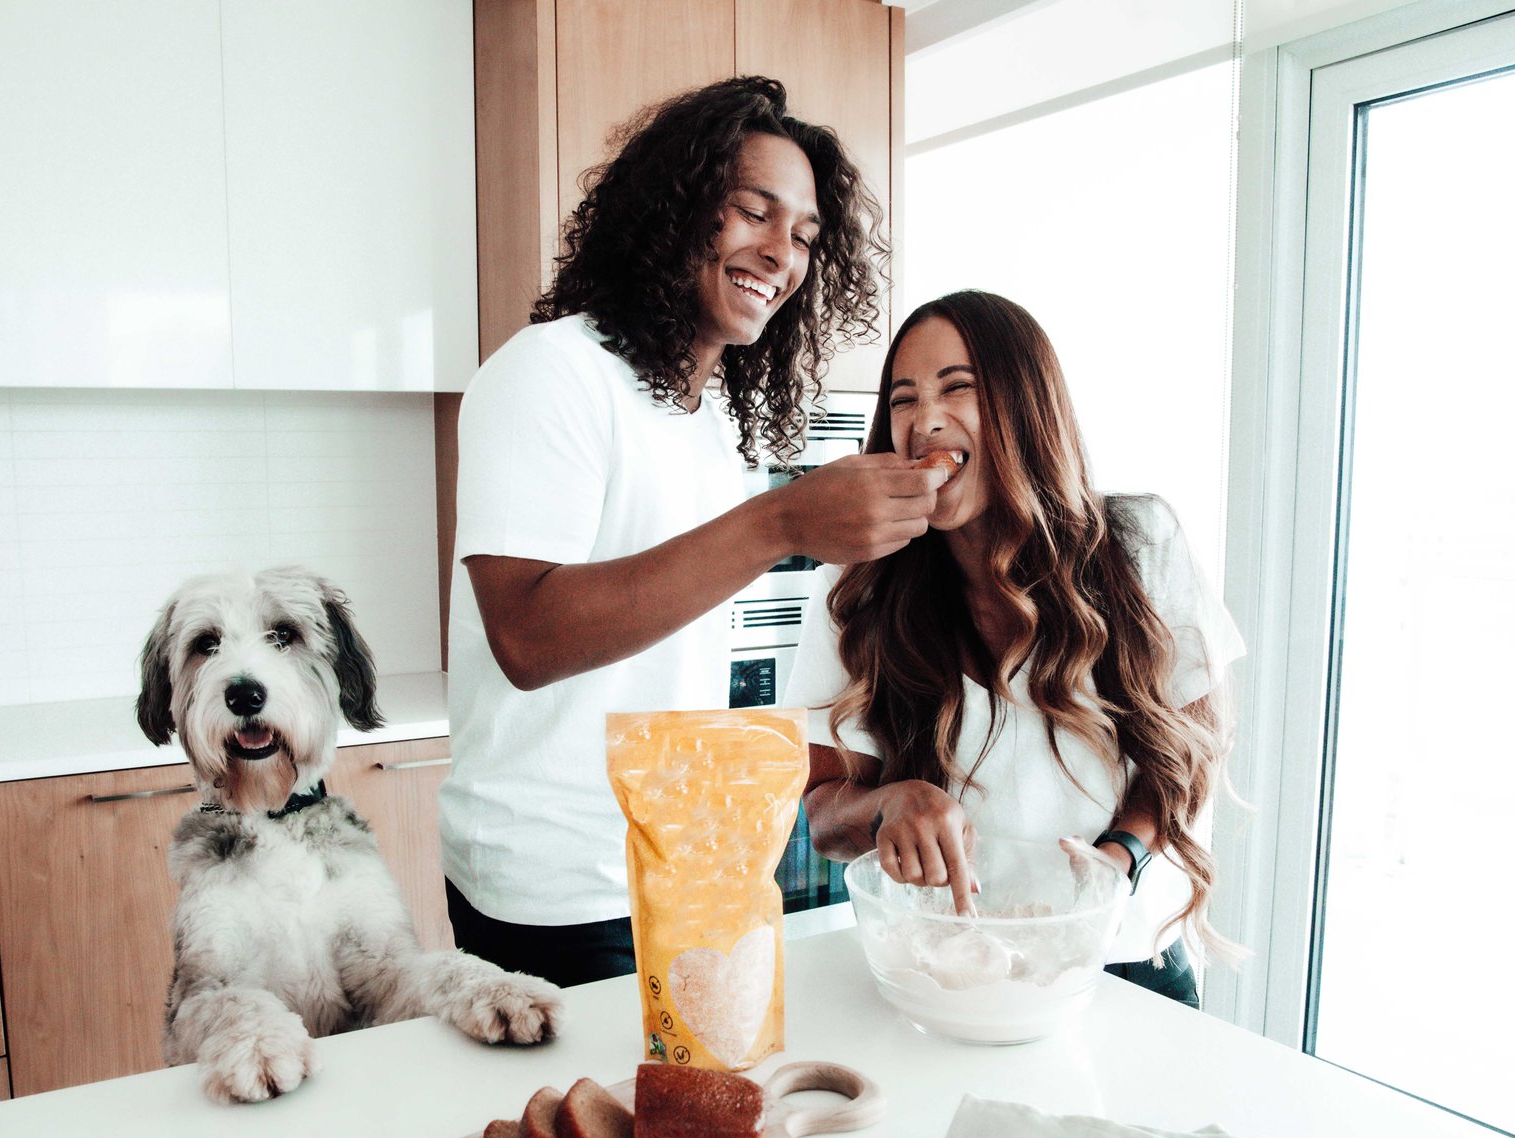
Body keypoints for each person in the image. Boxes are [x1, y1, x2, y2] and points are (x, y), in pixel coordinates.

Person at [442, 78, 946, 988]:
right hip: (557, 883)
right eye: (754, 212)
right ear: (672, 210)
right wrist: (783, 520)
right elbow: (525, 635)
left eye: (803, 237)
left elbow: (670, 676)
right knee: (580, 1131)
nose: (780, 254)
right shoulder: (549, 375)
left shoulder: (713, 418)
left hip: (681, 868)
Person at [783, 290, 1245, 1007]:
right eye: (903, 400)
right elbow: (820, 815)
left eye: (958, 387)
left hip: (1124, 973)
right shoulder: (853, 590)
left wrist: (1115, 859)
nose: (924, 421)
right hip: (945, 979)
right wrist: (888, 805)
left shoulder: (1140, 546)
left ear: (1026, 405)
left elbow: (1195, 747)